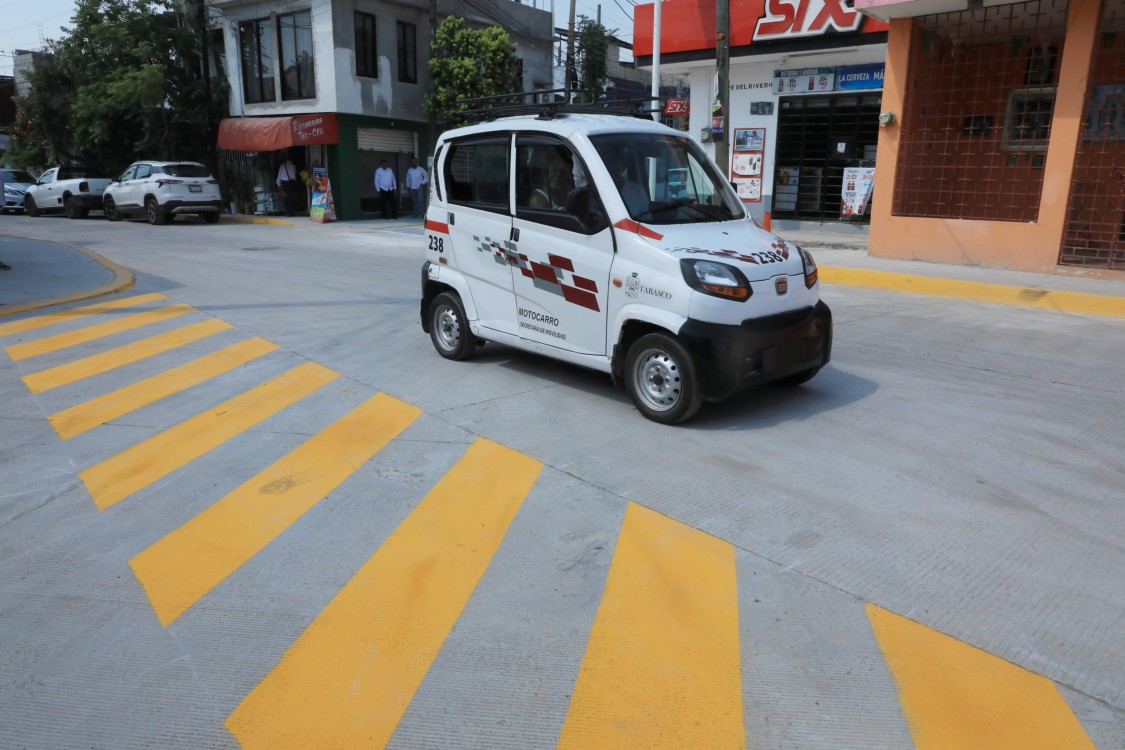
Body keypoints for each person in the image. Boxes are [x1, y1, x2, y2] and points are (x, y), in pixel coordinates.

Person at [604, 151, 649, 216]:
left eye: (617, 164)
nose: (613, 168)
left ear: (623, 167)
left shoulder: (638, 190)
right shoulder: (593, 189)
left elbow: (646, 218)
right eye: (610, 164)